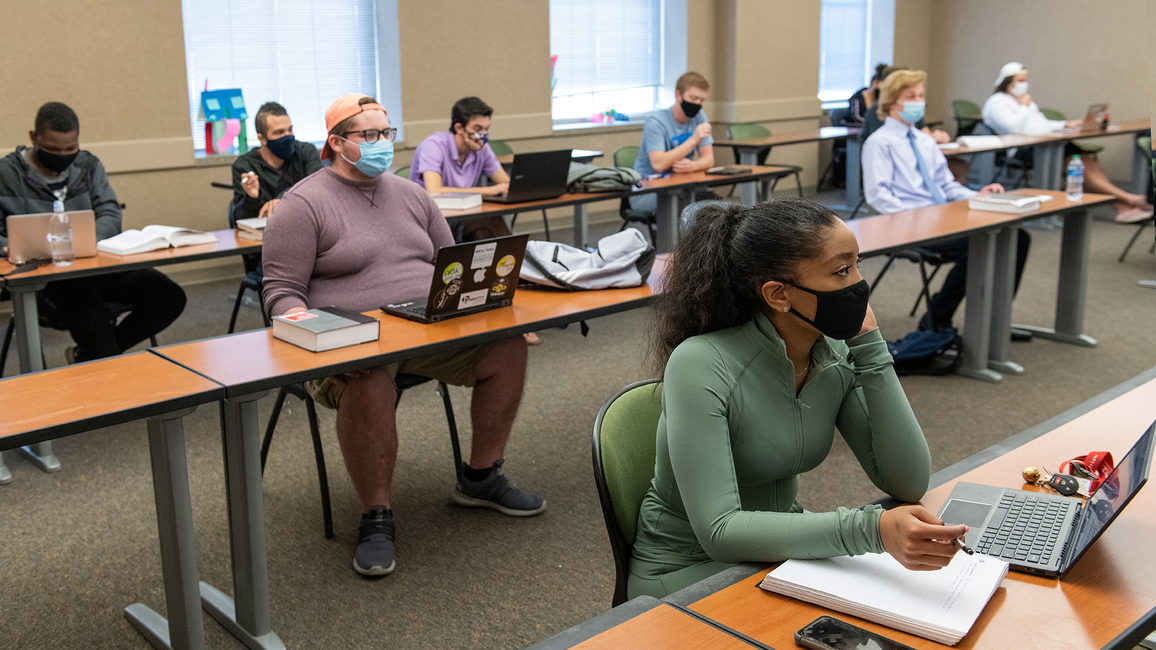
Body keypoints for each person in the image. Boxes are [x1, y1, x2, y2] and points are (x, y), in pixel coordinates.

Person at [261, 94, 544, 579]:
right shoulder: (302, 204)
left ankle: (480, 478)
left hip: (424, 325)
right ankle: (376, 516)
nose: (381, 144)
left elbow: (450, 265)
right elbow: (280, 295)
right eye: (368, 135)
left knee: (508, 346)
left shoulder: (412, 195)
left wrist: (486, 307)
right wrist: (327, 339)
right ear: (337, 142)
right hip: (350, 341)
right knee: (369, 379)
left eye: (386, 134)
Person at [627, 198, 966, 599]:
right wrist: (871, 529)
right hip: (687, 569)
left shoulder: (833, 353)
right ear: (778, 294)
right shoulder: (699, 363)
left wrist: (872, 351)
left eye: (858, 265)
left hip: (778, 553)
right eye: (842, 271)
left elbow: (907, 480)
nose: (858, 285)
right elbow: (720, 531)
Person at [0, 102, 186, 362]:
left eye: (70, 149)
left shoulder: (87, 166)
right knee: (90, 314)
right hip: (47, 279)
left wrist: (85, 240)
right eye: (52, 149)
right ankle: (101, 362)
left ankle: (88, 358)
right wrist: (9, 246)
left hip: (95, 265)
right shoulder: (5, 174)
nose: (62, 155)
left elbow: (110, 215)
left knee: (169, 296)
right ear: (33, 138)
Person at [863, 69, 1029, 333]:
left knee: (1017, 236)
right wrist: (918, 216)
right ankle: (936, 320)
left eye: (921, 95)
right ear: (892, 102)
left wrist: (977, 195)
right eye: (910, 96)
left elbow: (947, 186)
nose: (918, 101)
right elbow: (878, 196)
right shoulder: (879, 143)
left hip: (941, 218)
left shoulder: (924, 142)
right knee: (977, 243)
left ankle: (996, 319)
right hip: (908, 225)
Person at [982, 62, 1152, 223]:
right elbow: (1015, 128)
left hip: (1046, 141)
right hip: (1022, 149)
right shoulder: (996, 102)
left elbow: (1040, 123)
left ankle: (1122, 206)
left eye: (1025, 80)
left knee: (1087, 162)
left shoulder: (1023, 100)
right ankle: (1130, 199)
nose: (1023, 84)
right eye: (1019, 81)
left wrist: (1065, 124)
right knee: (1080, 167)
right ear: (1007, 82)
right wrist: (1024, 106)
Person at [410, 96, 512, 241]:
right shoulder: (433, 146)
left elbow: (506, 183)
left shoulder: (481, 148)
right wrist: (487, 191)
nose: (483, 135)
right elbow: (435, 191)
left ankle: (510, 260)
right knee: (485, 223)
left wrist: (504, 187)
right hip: (430, 221)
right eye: (477, 129)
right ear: (459, 128)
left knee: (485, 228)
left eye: (486, 129)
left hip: (463, 216)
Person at [630, 71, 715, 212]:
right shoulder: (656, 122)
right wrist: (693, 140)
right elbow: (658, 164)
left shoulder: (699, 117)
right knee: (686, 210)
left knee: (717, 207)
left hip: (683, 186)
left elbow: (709, 160)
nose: (698, 104)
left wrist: (693, 166)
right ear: (678, 95)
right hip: (649, 190)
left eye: (701, 100)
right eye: (693, 98)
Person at [231, 102, 321, 221]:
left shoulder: (306, 152)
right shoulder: (245, 166)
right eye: (279, 132)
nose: (287, 136)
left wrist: (282, 200)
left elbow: (315, 189)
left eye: (290, 130)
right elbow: (241, 221)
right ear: (262, 138)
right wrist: (252, 198)